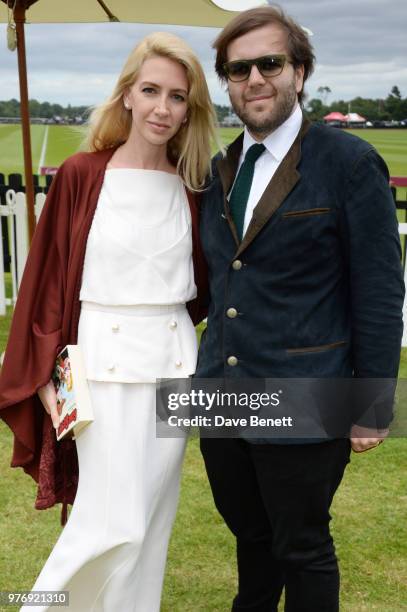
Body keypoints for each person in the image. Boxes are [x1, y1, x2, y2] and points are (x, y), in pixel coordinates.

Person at [196, 6, 404, 611]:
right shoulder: (221, 168)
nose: (254, 78)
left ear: (300, 72)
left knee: (302, 546)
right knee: (251, 539)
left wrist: (370, 404)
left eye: (270, 63)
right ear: (227, 81)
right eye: (238, 69)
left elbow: (378, 290)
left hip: (306, 394)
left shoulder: (349, 162)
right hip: (223, 394)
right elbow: (221, 279)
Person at [0, 32, 215, 611]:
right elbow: (44, 285)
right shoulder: (80, 173)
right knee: (109, 521)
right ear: (126, 94)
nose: (162, 109)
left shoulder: (194, 185)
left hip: (175, 370)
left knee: (150, 523)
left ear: (190, 107)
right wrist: (45, 374)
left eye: (177, 96)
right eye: (150, 91)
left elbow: (206, 289)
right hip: (97, 366)